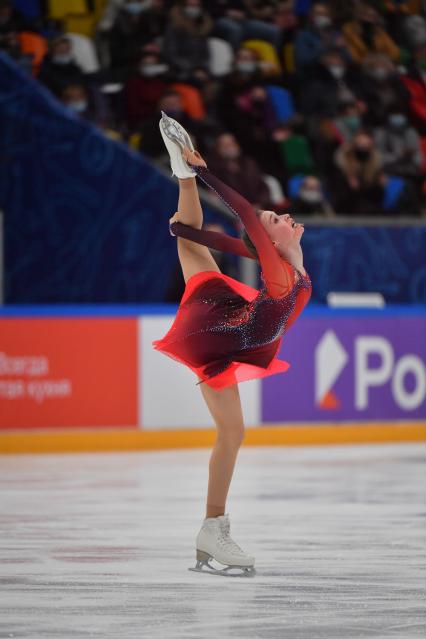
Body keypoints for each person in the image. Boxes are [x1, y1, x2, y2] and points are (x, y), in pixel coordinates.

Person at [153, 112, 311, 576]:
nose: (284, 216)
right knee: (234, 434)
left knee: (195, 253)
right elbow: (244, 218)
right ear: (272, 240)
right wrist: (204, 170)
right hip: (223, 333)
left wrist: (187, 231)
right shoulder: (283, 274)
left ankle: (180, 179)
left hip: (232, 322)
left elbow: (236, 241)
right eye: (274, 219)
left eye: (278, 216)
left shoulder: (286, 265)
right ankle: (214, 528)